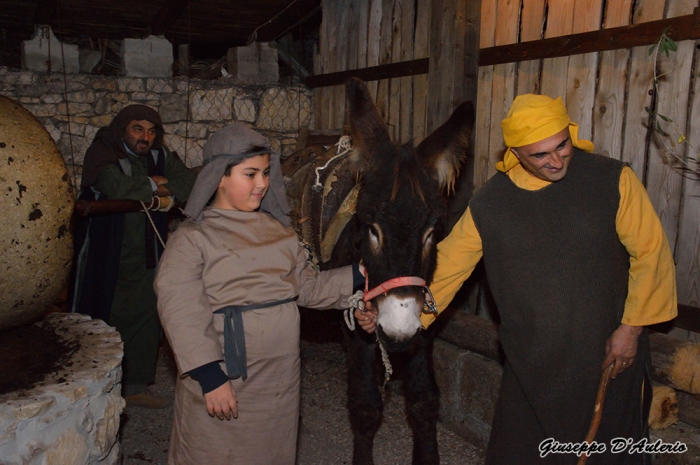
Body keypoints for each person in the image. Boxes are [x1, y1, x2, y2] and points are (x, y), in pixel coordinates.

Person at [357, 94, 677, 464]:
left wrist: (631, 329)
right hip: (529, 364)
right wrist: (404, 316)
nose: (556, 160)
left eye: (562, 145)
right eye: (540, 154)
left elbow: (651, 253)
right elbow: (447, 270)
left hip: (607, 356)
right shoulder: (491, 203)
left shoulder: (612, 179)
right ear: (517, 153)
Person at [154, 123, 364, 464]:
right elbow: (181, 309)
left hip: (279, 380)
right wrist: (209, 376)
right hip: (227, 375)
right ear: (219, 176)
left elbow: (308, 288)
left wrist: (360, 274)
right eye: (250, 174)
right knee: (215, 452)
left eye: (266, 173)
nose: (263, 184)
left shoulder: (279, 233)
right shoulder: (193, 238)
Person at [70, 104, 195, 409]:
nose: (145, 136)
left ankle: (135, 386)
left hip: (145, 251)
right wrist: (156, 184)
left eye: (152, 131)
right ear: (123, 128)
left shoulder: (158, 156)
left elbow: (189, 183)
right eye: (138, 128)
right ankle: (91, 386)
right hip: (107, 249)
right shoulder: (103, 151)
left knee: (146, 312)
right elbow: (116, 186)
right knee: (102, 312)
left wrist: (158, 190)